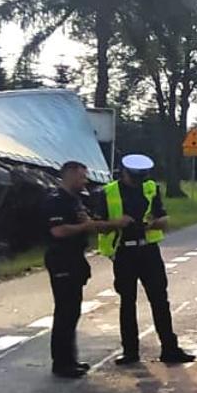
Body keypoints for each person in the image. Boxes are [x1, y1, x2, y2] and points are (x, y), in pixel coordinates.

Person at [94, 154, 196, 365]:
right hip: (123, 252)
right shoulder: (108, 192)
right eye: (134, 177)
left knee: (160, 300)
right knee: (127, 303)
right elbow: (97, 226)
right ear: (124, 173)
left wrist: (152, 224)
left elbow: (164, 219)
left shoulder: (150, 188)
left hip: (149, 251)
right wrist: (117, 223)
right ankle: (130, 352)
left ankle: (170, 349)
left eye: (141, 177)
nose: (138, 181)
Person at [43, 161, 120, 378]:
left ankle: (70, 359)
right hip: (61, 258)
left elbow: (89, 224)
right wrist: (85, 227)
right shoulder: (56, 201)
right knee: (65, 312)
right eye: (81, 177)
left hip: (74, 258)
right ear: (68, 175)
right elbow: (58, 231)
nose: (84, 181)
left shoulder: (75, 200)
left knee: (72, 311)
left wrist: (113, 225)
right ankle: (61, 363)